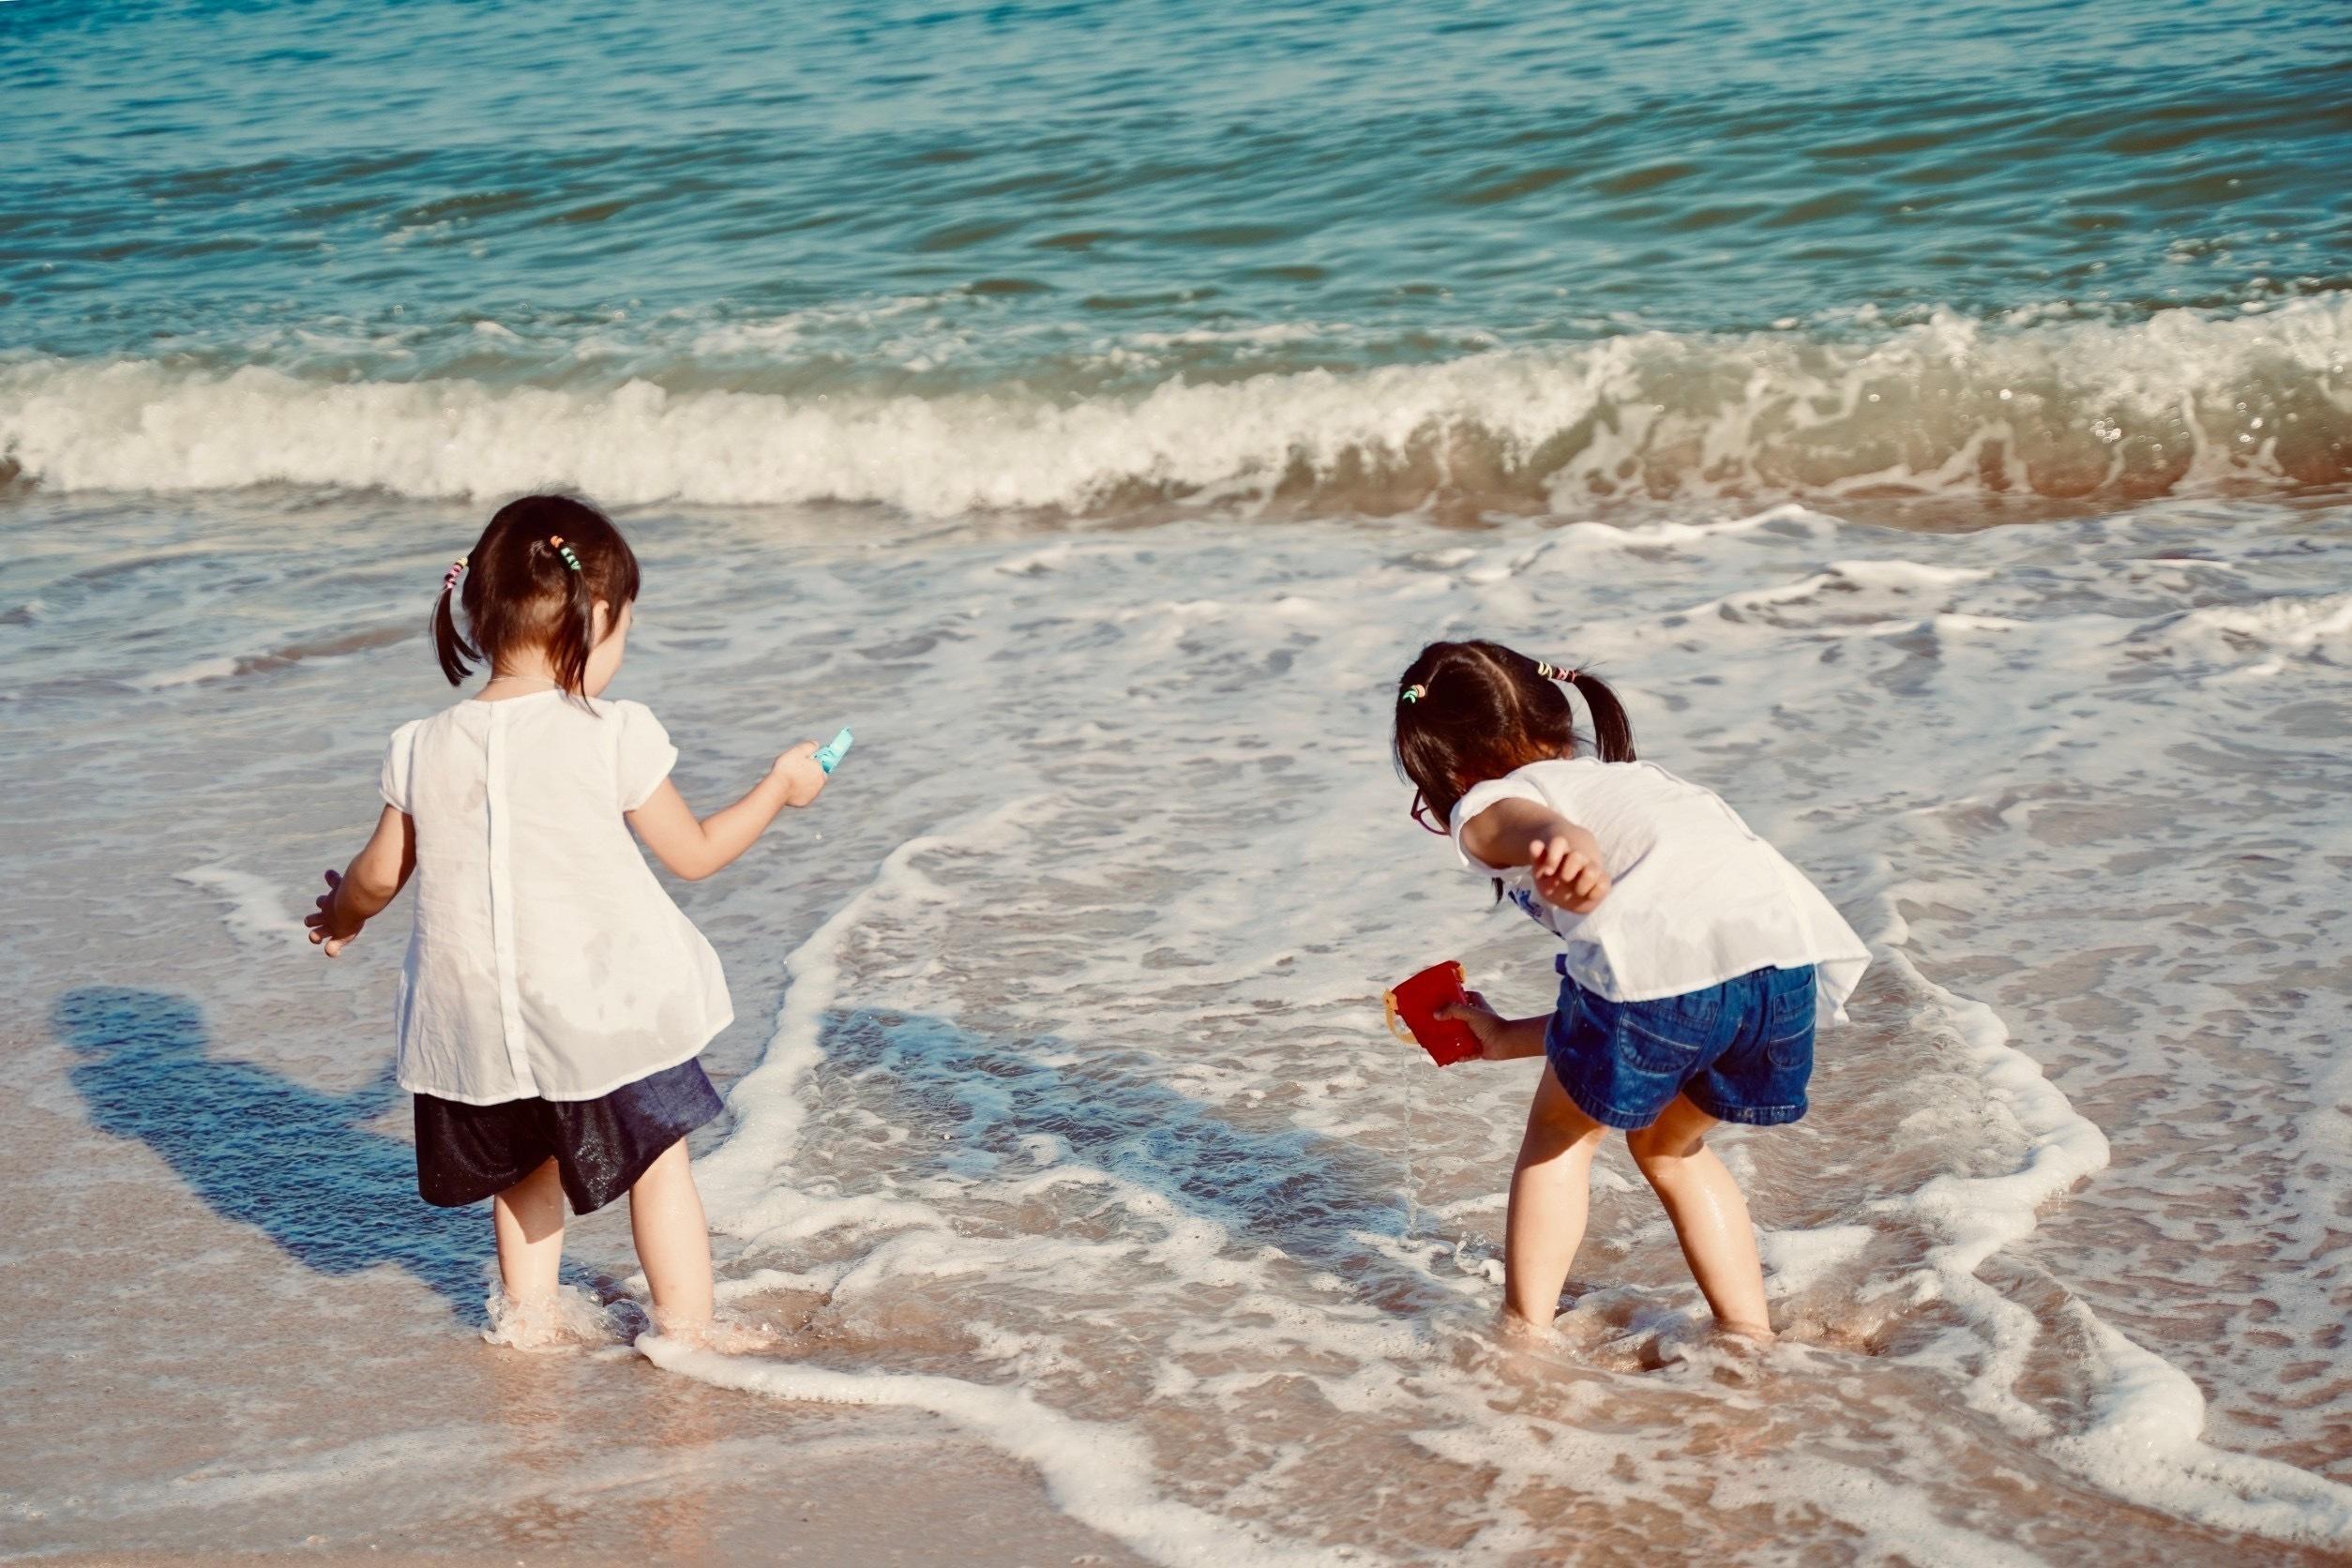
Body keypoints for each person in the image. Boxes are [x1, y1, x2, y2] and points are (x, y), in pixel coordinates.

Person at [305, 493, 831, 1346]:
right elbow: (695, 853)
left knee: (522, 1175)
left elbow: (376, 875)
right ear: (589, 620)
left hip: (472, 1019)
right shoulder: (611, 732)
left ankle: (529, 1328)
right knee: (659, 1166)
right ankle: (687, 1333)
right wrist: (781, 788)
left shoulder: (420, 744)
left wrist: (342, 917)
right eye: (621, 631)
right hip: (600, 1012)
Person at [1393, 640, 1869, 1341]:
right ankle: (1749, 1337)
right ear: (1559, 722)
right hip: (1784, 969)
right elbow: (1652, 996)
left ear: (1450, 768)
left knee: (1560, 1133)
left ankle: (1524, 1342)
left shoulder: (1493, 802)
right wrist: (1504, 1037)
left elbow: (1528, 825)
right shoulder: (1641, 782)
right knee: (1668, 1148)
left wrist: (1561, 840)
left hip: (1670, 981)